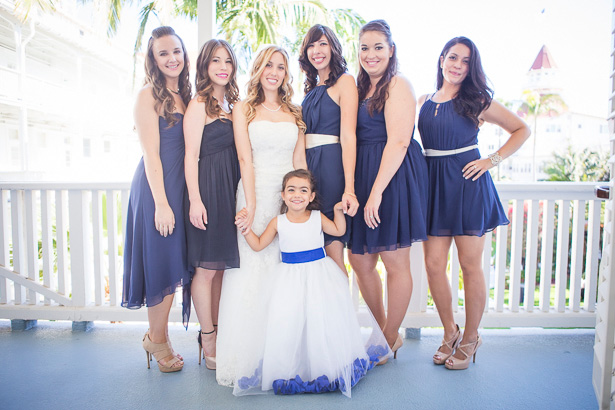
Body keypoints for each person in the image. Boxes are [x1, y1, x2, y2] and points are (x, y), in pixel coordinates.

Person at [417, 36, 530, 370]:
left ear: (471, 68)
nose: (457, 65)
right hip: (434, 186)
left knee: (470, 266)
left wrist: (491, 160)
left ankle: (471, 337)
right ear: (441, 60)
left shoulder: (476, 100)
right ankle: (449, 330)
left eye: (466, 61)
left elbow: (521, 129)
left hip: (468, 184)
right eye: (453, 58)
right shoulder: (423, 100)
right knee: (434, 265)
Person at [232, 169, 391, 397]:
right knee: (291, 318)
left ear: (311, 196)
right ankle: (295, 363)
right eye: (292, 190)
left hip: (319, 274)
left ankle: (323, 364)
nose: (297, 195)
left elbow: (338, 230)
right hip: (289, 278)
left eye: (303, 190)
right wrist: (245, 230)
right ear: (284, 195)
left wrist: (338, 211)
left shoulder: (317, 217)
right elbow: (258, 245)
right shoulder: (278, 222)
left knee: (319, 316)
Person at [215, 45, 307, 387]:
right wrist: (251, 204)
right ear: (259, 69)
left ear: (286, 74)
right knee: (252, 272)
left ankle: (283, 356)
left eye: (281, 67)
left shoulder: (294, 112)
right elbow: (244, 159)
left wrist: (303, 202)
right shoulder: (244, 109)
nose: (274, 71)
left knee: (285, 272)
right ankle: (247, 358)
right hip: (254, 192)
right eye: (269, 65)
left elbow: (300, 160)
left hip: (288, 197)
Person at [347, 20, 428, 358]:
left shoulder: (398, 85)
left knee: (395, 260)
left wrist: (377, 191)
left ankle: (389, 335)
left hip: (392, 177)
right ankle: (383, 333)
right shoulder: (357, 87)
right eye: (364, 48)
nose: (371, 54)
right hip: (364, 175)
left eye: (378, 47)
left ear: (391, 50)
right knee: (360, 259)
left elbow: (398, 141)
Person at [121, 26, 191, 373]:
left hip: (180, 190)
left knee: (174, 266)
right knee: (162, 265)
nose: (171, 58)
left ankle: (157, 335)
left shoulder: (189, 95)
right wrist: (162, 204)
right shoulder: (147, 95)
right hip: (156, 191)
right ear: (153, 59)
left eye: (176, 51)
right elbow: (151, 153)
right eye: (163, 53)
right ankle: (157, 339)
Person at [183, 39, 240, 370]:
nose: (222, 66)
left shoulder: (230, 106)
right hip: (207, 189)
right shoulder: (199, 104)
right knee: (205, 269)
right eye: (215, 60)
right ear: (205, 66)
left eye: (228, 61)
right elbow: (191, 155)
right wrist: (195, 200)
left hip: (229, 190)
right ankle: (207, 339)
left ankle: (216, 332)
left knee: (218, 269)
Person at [298, 24, 359, 272]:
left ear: (333, 47)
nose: (317, 50)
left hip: (331, 165)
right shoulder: (311, 88)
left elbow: (348, 136)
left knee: (333, 249)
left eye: (322, 43)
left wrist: (349, 189)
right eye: (311, 45)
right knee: (313, 248)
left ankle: (340, 309)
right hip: (308, 167)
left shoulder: (345, 82)